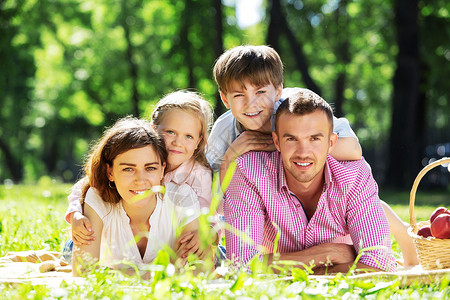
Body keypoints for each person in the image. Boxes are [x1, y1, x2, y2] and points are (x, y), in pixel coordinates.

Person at [207, 45, 418, 266]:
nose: (251, 103)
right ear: (224, 98)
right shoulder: (224, 132)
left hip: (317, 180)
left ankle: (404, 238)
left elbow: (353, 150)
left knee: (355, 194)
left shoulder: (297, 107)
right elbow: (217, 199)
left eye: (260, 92)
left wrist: (283, 145)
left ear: (278, 90)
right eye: (239, 95)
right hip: (265, 195)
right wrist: (230, 159)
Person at [224, 89, 397, 273]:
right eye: (291, 139)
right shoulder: (248, 172)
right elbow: (240, 265)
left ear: (331, 143)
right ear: (276, 141)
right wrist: (328, 254)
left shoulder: (354, 176)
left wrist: (296, 272)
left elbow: (381, 263)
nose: (303, 152)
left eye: (314, 139)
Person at [66, 90, 216, 261]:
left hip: (174, 239)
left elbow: (210, 218)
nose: (178, 142)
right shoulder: (139, 153)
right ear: (153, 129)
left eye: (188, 136)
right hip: (112, 236)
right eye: (171, 132)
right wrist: (76, 213)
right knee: (74, 247)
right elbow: (89, 184)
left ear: (198, 140)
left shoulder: (198, 175)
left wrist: (205, 234)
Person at [72, 117, 201, 276]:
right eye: (128, 169)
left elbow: (201, 271)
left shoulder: (182, 197)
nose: (140, 180)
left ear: (162, 169)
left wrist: (117, 273)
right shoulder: (97, 197)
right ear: (110, 172)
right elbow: (82, 273)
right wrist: (166, 273)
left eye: (151, 168)